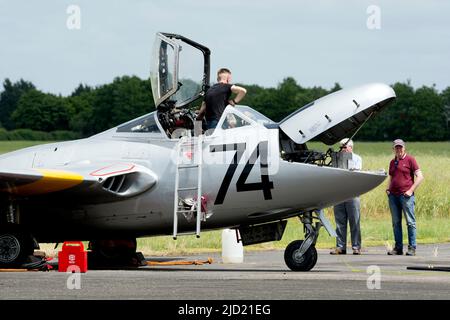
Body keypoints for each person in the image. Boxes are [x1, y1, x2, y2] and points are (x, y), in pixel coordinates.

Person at [386, 139, 424, 256]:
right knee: (396, 222)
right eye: (396, 148)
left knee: (410, 222)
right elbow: (391, 177)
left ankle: (412, 247)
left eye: (400, 147)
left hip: (406, 196)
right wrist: (388, 188)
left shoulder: (410, 160)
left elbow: (420, 176)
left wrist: (411, 190)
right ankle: (398, 248)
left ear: (404, 148)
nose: (399, 150)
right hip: (393, 196)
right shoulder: (392, 162)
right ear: (393, 149)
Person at [330, 138, 363, 255]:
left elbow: (356, 174)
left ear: (350, 147)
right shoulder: (336, 158)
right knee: (340, 222)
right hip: (339, 194)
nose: (342, 150)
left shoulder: (357, 158)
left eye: (345, 147)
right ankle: (340, 247)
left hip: (352, 194)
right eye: (341, 147)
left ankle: (356, 246)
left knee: (354, 221)